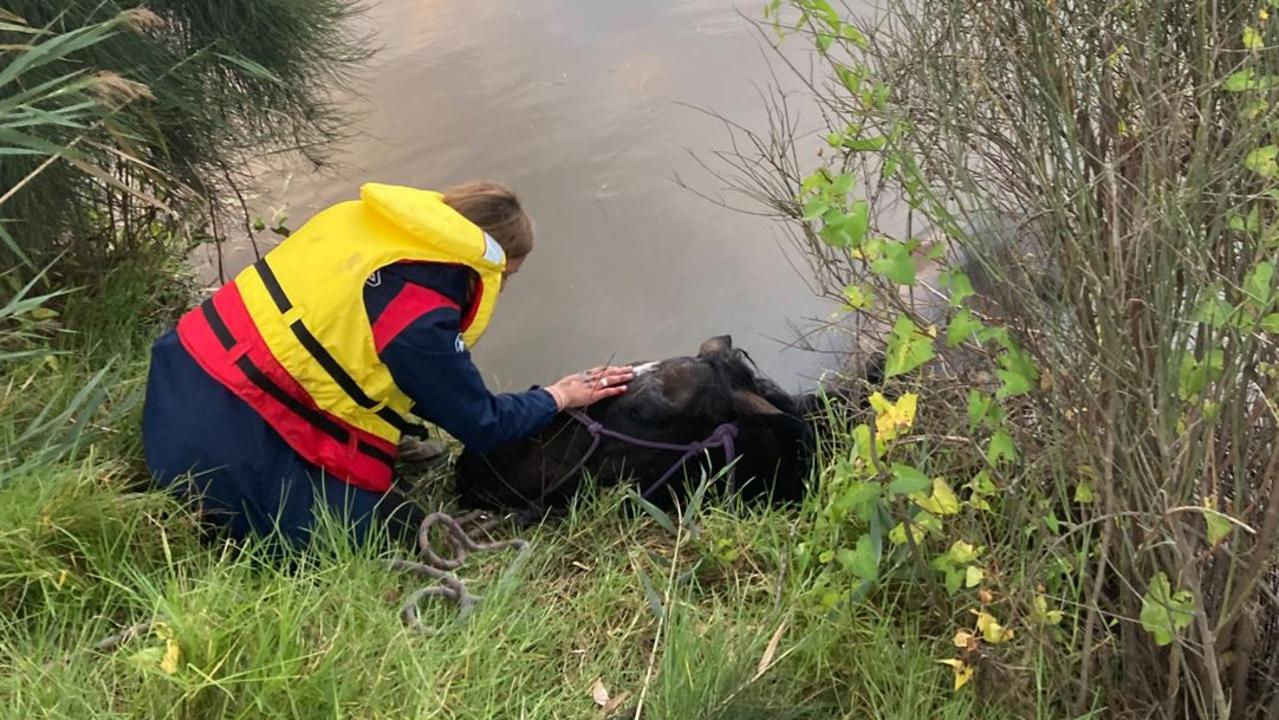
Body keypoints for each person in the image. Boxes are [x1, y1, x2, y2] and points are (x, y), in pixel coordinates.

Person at [141, 181, 634, 548]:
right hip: (213, 442)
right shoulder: (418, 312)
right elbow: (483, 424)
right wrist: (560, 395)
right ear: (484, 263)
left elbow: (340, 347)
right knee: (389, 534)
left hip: (180, 376)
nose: (503, 290)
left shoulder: (357, 230)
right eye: (508, 277)